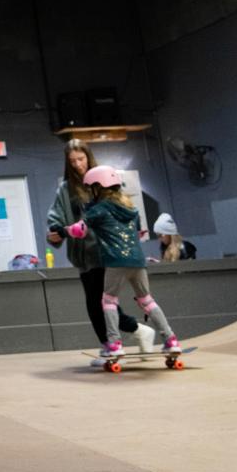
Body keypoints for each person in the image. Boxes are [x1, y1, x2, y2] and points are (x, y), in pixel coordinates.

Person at [46, 139, 155, 362]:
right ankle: (122, 338)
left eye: (81, 158)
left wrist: (133, 232)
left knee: (101, 301)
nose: (77, 164)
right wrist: (54, 232)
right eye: (72, 161)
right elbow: (56, 217)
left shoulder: (103, 181)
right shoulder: (65, 189)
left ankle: (119, 340)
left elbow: (123, 206)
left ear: (89, 156)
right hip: (82, 254)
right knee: (96, 302)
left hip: (106, 250)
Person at [65, 166, 182, 358]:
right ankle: (171, 340)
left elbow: (80, 230)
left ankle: (114, 344)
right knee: (147, 300)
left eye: (91, 188)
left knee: (108, 301)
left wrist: (68, 229)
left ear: (97, 187)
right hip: (137, 261)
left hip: (115, 261)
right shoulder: (131, 209)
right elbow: (137, 233)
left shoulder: (99, 209)